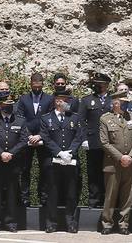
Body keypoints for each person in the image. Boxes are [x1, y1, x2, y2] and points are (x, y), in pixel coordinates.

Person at [40, 91, 85, 234]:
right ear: (58, 102)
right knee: (52, 193)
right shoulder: (46, 118)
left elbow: (79, 136)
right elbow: (46, 138)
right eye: (65, 100)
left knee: (71, 193)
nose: (68, 103)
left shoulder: (75, 118)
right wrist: (59, 152)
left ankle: (70, 222)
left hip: (71, 161)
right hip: (54, 161)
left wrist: (70, 152)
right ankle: (51, 223)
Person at [98, 89, 132, 235]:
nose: (125, 105)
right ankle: (107, 223)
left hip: (130, 163)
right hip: (113, 164)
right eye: (122, 102)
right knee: (110, 196)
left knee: (127, 196)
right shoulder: (105, 118)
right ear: (115, 103)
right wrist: (120, 157)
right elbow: (104, 142)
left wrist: (130, 156)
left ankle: (124, 224)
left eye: (126, 102)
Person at [0, 92, 28, 232]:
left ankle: (11, 222)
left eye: (11, 105)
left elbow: (23, 140)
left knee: (12, 193)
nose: (8, 107)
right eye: (5, 105)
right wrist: (0, 153)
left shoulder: (20, 120)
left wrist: (11, 153)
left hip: (13, 162)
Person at [18, 72, 53, 211]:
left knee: (44, 169)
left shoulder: (49, 99)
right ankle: (25, 198)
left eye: (39, 86)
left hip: (42, 140)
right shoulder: (23, 99)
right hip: (27, 140)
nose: (37, 89)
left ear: (43, 84)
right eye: (34, 86)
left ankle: (43, 198)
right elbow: (20, 118)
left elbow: (50, 120)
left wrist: (40, 136)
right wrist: (28, 136)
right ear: (31, 84)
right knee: (25, 169)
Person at [79, 72, 113, 209]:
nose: (98, 86)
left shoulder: (113, 100)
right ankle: (93, 200)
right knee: (93, 172)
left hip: (110, 142)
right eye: (96, 84)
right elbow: (81, 121)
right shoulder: (87, 100)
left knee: (109, 172)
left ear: (106, 85)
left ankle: (108, 200)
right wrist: (84, 139)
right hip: (93, 142)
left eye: (101, 84)